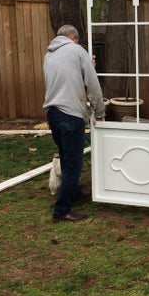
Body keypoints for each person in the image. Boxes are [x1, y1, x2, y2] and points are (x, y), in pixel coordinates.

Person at [43, 24, 106, 223]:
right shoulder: (77, 51)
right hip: (70, 114)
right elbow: (92, 83)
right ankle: (61, 211)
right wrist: (100, 111)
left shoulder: (49, 55)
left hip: (53, 113)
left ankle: (75, 192)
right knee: (73, 165)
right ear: (74, 37)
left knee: (65, 155)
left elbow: (67, 79)